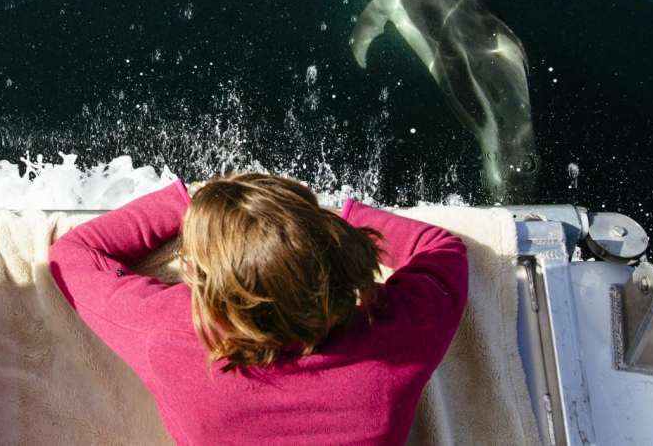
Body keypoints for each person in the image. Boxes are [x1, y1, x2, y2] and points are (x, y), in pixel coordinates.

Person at [48, 173, 468, 446]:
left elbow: (71, 255)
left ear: (196, 279)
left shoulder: (172, 336)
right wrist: (332, 219)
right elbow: (442, 248)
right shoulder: (397, 337)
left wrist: (186, 201)